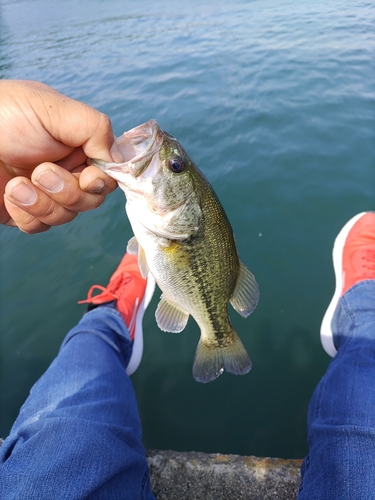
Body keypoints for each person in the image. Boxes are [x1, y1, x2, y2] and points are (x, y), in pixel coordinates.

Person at [0, 80, 374, 499]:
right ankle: (364, 304)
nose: (169, 159)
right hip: (175, 252)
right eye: (176, 166)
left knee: (57, 433)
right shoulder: (169, 215)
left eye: (174, 167)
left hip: (175, 255)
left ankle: (109, 317)